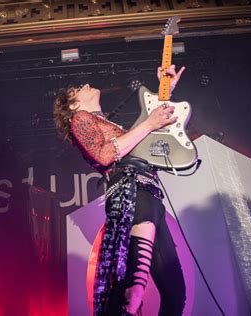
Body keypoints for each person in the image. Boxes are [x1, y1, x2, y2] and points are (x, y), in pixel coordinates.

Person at [53, 65, 186, 315]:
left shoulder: (107, 123)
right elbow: (105, 155)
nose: (86, 86)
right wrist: (148, 124)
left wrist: (165, 90)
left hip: (149, 194)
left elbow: (146, 138)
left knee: (176, 293)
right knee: (134, 289)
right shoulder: (80, 119)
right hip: (131, 192)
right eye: (77, 90)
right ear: (72, 106)